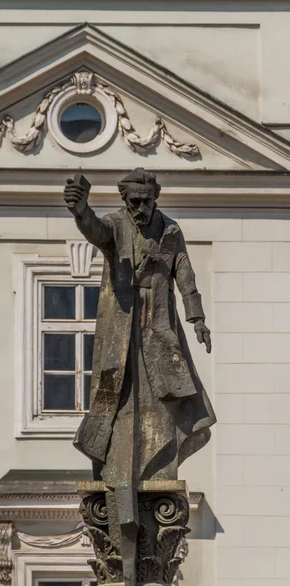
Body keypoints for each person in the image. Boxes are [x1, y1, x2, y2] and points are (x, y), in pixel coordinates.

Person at [64, 168, 216, 488]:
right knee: (117, 386)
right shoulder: (116, 225)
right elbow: (95, 230)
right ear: (124, 198)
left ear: (155, 198)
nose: (141, 207)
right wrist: (81, 211)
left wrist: (197, 318)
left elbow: (185, 276)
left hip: (158, 321)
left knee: (167, 390)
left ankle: (160, 456)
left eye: (147, 200)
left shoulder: (171, 231)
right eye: (134, 200)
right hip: (122, 321)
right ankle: (110, 451)